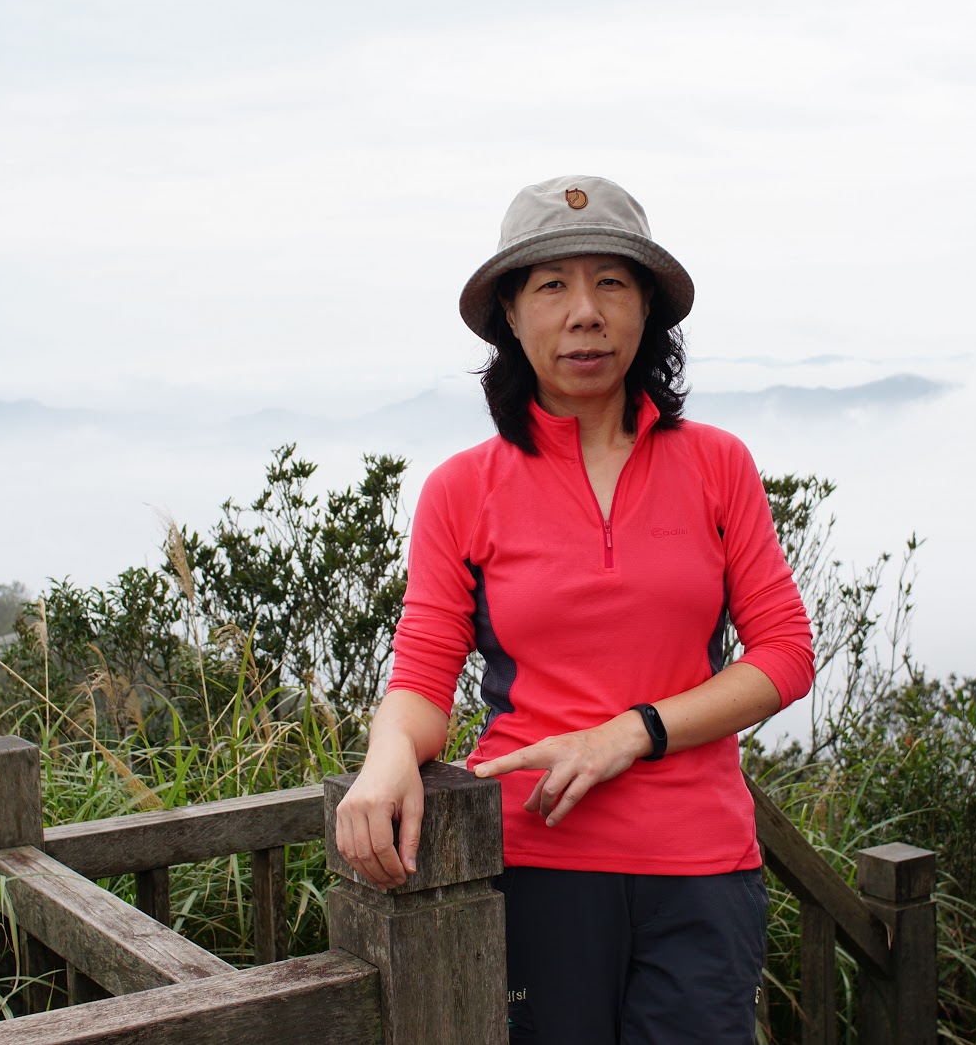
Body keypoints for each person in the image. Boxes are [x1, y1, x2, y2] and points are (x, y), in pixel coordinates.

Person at [334, 175, 814, 1044]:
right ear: (511, 316)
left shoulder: (717, 465)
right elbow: (424, 678)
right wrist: (386, 756)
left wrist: (631, 732)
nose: (585, 313)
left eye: (612, 283)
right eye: (553, 285)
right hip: (534, 860)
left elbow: (784, 652)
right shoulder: (461, 490)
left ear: (646, 310)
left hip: (702, 870)